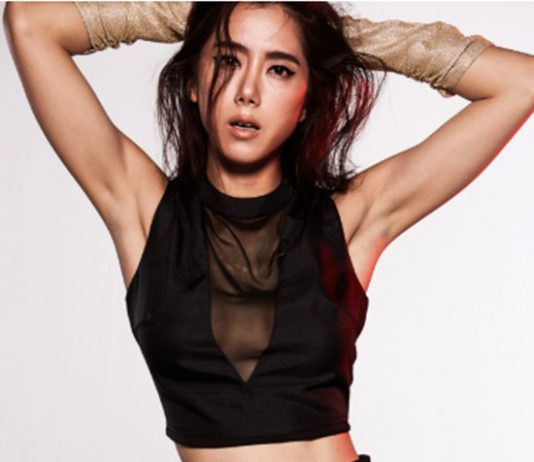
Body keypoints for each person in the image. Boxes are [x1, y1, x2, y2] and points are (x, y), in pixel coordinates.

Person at [4, 2, 533, 461]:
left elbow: (520, 83)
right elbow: (31, 21)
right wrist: (205, 16)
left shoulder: (350, 219)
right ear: (192, 83)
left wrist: (328, 35)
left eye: (280, 69)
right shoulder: (143, 211)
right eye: (227, 60)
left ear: (306, 100)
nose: (248, 92)